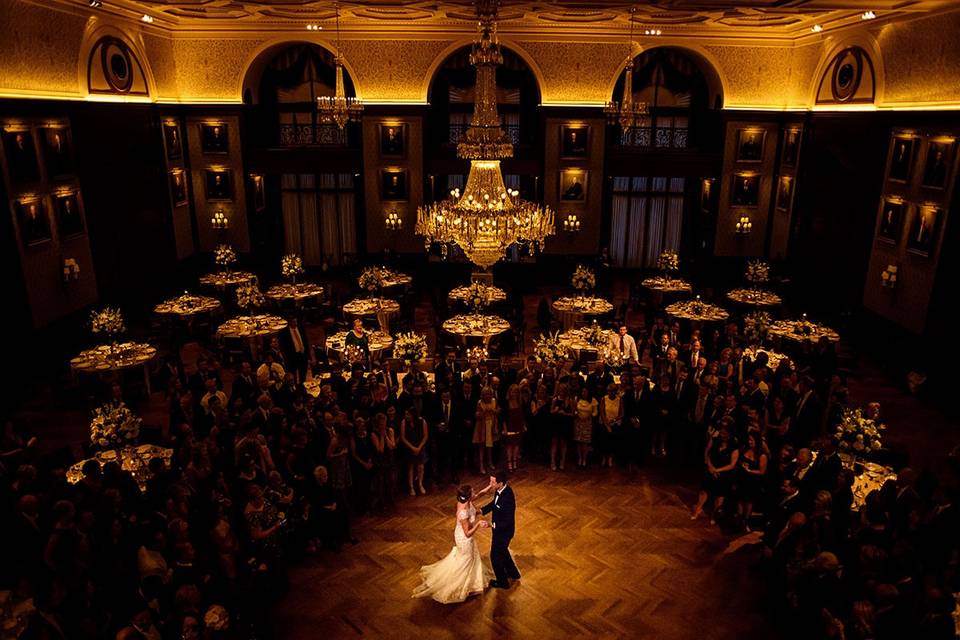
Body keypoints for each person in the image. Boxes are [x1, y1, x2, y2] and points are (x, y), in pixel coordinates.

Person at [411, 484, 492, 603]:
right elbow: (468, 533)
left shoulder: (466, 500)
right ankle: (458, 585)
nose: (475, 492)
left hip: (464, 535)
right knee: (466, 560)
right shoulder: (463, 512)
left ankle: (472, 583)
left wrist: (490, 486)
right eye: (472, 491)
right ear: (468, 496)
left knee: (469, 558)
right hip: (464, 538)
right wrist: (478, 524)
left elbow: (480, 494)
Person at [480, 470, 520, 589]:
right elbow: (494, 504)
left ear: (500, 483)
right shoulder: (499, 490)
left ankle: (502, 582)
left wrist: (491, 525)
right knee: (503, 552)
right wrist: (481, 511)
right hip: (499, 531)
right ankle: (513, 573)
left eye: (493, 482)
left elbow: (507, 521)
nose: (490, 484)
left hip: (504, 532)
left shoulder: (508, 497)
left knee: (495, 556)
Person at [400, 408, 429, 496]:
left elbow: (425, 436)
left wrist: (419, 448)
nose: (406, 416)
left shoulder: (422, 421)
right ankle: (411, 487)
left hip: (420, 447)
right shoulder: (404, 422)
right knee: (411, 467)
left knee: (421, 467)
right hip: (409, 448)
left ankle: (420, 484)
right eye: (406, 414)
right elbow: (403, 437)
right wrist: (413, 448)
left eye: (408, 414)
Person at [473, 386, 499, 475]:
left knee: (489, 446)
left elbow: (498, 411)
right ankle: (481, 465)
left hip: (491, 425)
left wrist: (493, 410)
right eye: (486, 394)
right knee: (482, 446)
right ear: (482, 395)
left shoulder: (494, 401)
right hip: (482, 427)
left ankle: (490, 462)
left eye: (489, 394)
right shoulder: (480, 403)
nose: (488, 396)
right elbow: (476, 415)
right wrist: (484, 412)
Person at [573, 386, 597, 468]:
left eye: (586, 392)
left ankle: (584, 459)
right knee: (579, 442)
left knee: (585, 442)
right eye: (583, 392)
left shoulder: (593, 400)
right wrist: (577, 414)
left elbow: (595, 412)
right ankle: (580, 458)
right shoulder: (577, 399)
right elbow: (574, 409)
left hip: (587, 423)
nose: (584, 393)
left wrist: (589, 416)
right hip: (578, 423)